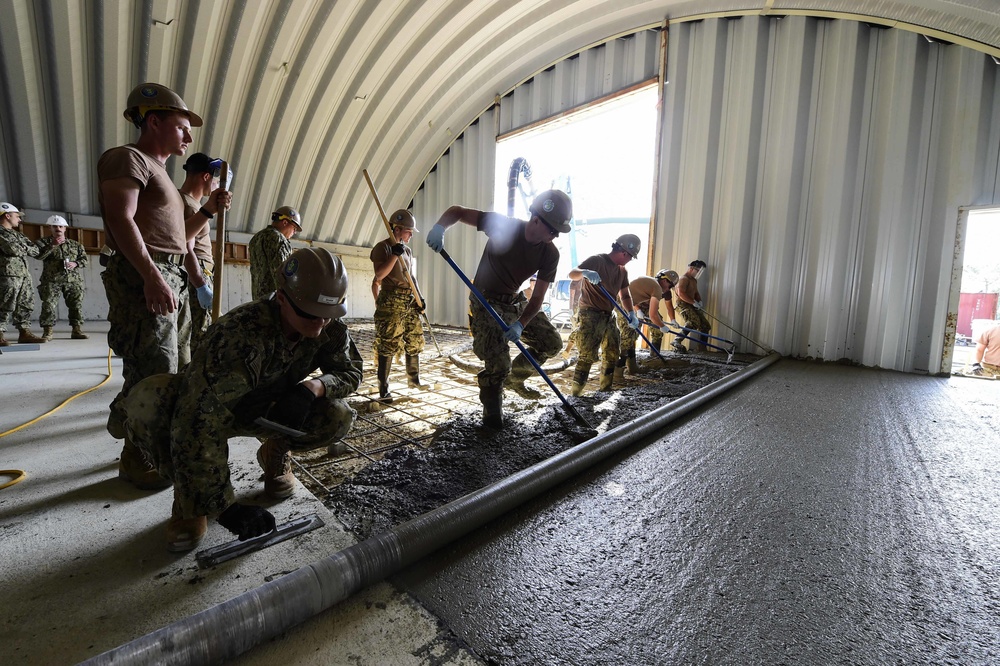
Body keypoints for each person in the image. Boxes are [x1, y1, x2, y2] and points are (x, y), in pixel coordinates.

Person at [120, 248, 363, 552]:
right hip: (208, 405)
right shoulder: (239, 334)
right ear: (282, 298)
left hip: (267, 408)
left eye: (328, 316)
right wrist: (224, 507)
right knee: (150, 401)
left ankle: (275, 450)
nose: (319, 325)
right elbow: (198, 417)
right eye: (309, 315)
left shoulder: (328, 323)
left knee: (337, 415)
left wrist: (313, 387)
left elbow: (349, 370)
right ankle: (190, 502)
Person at [98, 82, 231, 490]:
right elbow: (122, 219)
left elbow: (182, 238)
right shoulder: (129, 159)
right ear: (153, 121)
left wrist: (208, 211)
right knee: (153, 371)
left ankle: (136, 428)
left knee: (177, 369)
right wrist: (152, 277)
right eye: (181, 127)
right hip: (148, 275)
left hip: (172, 276)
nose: (188, 137)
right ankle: (136, 457)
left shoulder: (166, 182)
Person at [425, 190, 571, 429]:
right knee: (498, 364)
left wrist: (521, 323)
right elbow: (457, 212)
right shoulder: (503, 225)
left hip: (514, 301)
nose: (555, 236)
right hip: (485, 300)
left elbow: (537, 299)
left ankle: (516, 378)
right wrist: (440, 227)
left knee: (552, 343)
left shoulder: (550, 253)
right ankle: (492, 407)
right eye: (553, 230)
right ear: (536, 219)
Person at [567, 234, 640, 395]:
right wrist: (585, 272)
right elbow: (572, 274)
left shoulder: (622, 271)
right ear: (624, 253)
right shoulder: (597, 261)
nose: (629, 260)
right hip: (590, 313)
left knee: (613, 351)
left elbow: (625, 295)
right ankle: (576, 393)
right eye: (631, 257)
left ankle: (605, 389)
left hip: (608, 315)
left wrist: (631, 313)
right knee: (587, 354)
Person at [370, 209, 428, 403]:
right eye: (409, 231)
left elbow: (412, 277)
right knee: (388, 342)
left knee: (414, 338)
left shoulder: (408, 251)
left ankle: (414, 379)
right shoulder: (383, 248)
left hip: (408, 299)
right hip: (391, 299)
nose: (411, 235)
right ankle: (383, 388)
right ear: (397, 228)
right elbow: (379, 275)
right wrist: (394, 255)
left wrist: (419, 298)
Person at [178, 152, 223, 351]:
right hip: (197, 271)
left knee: (198, 330)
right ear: (206, 176)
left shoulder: (192, 203)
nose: (215, 186)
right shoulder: (186, 204)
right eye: (215, 181)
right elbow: (186, 248)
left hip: (203, 270)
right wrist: (200, 285)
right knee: (201, 332)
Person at [34, 215, 89, 341]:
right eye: (54, 226)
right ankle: (48, 331)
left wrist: (75, 264)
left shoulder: (76, 245)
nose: (58, 228)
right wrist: (52, 246)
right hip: (51, 280)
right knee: (48, 305)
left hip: (73, 280)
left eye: (60, 226)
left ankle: (77, 330)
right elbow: (38, 256)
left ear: (65, 228)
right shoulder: (42, 243)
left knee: (76, 305)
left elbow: (84, 260)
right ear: (50, 228)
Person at [615, 269, 679, 375]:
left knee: (632, 336)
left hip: (631, 302)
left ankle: (633, 367)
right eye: (670, 286)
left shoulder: (654, 285)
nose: (669, 289)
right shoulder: (657, 288)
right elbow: (653, 315)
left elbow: (665, 308)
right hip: (623, 302)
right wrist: (662, 326)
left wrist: (672, 320)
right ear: (664, 281)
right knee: (628, 337)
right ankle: (617, 372)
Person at [0, 202, 47, 346]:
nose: (19, 219)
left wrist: (23, 247)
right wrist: (25, 248)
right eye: (16, 216)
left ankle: (24, 332)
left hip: (23, 275)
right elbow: (12, 249)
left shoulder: (17, 235)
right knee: (4, 303)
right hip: (7, 275)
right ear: (7, 216)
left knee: (25, 303)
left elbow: (35, 251)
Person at [248, 205, 301, 300]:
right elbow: (283, 274)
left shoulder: (256, 238)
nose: (295, 232)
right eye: (294, 228)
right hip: (275, 301)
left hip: (258, 300)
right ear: (285, 222)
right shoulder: (279, 239)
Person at [672, 260, 710, 353]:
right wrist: (693, 302)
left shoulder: (693, 280)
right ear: (691, 268)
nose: (698, 273)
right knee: (693, 321)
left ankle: (702, 348)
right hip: (683, 304)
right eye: (698, 271)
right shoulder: (683, 279)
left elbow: (696, 293)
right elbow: (681, 294)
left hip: (692, 304)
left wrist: (699, 301)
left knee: (705, 325)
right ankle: (677, 340)